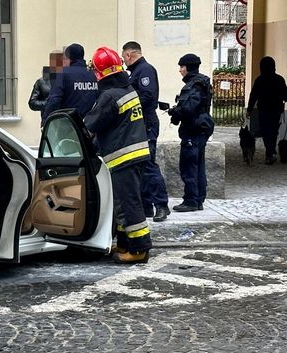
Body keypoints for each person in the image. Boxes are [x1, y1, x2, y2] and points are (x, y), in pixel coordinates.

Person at [84, 46, 152, 264]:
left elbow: (90, 125)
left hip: (123, 158)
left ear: (99, 73)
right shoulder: (128, 90)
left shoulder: (109, 97)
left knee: (129, 204)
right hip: (136, 156)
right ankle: (125, 243)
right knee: (122, 204)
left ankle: (140, 249)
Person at [122, 41, 170, 222]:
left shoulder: (145, 70)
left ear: (129, 55)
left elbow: (148, 97)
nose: (123, 61)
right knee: (141, 166)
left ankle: (161, 205)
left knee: (148, 165)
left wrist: (127, 107)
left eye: (123, 57)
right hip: (139, 124)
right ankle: (146, 206)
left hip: (146, 124)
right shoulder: (136, 72)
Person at [168, 54, 214, 212]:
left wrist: (175, 112)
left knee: (189, 165)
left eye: (181, 67)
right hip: (201, 128)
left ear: (188, 67)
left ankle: (191, 200)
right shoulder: (203, 82)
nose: (180, 70)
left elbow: (188, 108)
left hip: (193, 129)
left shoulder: (193, 85)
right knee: (198, 164)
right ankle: (198, 199)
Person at [246, 56, 287, 164]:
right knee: (274, 131)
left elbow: (253, 96)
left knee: (266, 132)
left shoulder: (259, 80)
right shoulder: (279, 79)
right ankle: (271, 153)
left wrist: (249, 110)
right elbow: (286, 95)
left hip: (264, 110)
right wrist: (284, 97)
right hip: (276, 110)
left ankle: (270, 153)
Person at [42, 43, 98, 121]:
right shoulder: (93, 74)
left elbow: (54, 99)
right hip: (89, 124)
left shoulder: (62, 73)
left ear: (69, 58)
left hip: (68, 124)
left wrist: (45, 121)